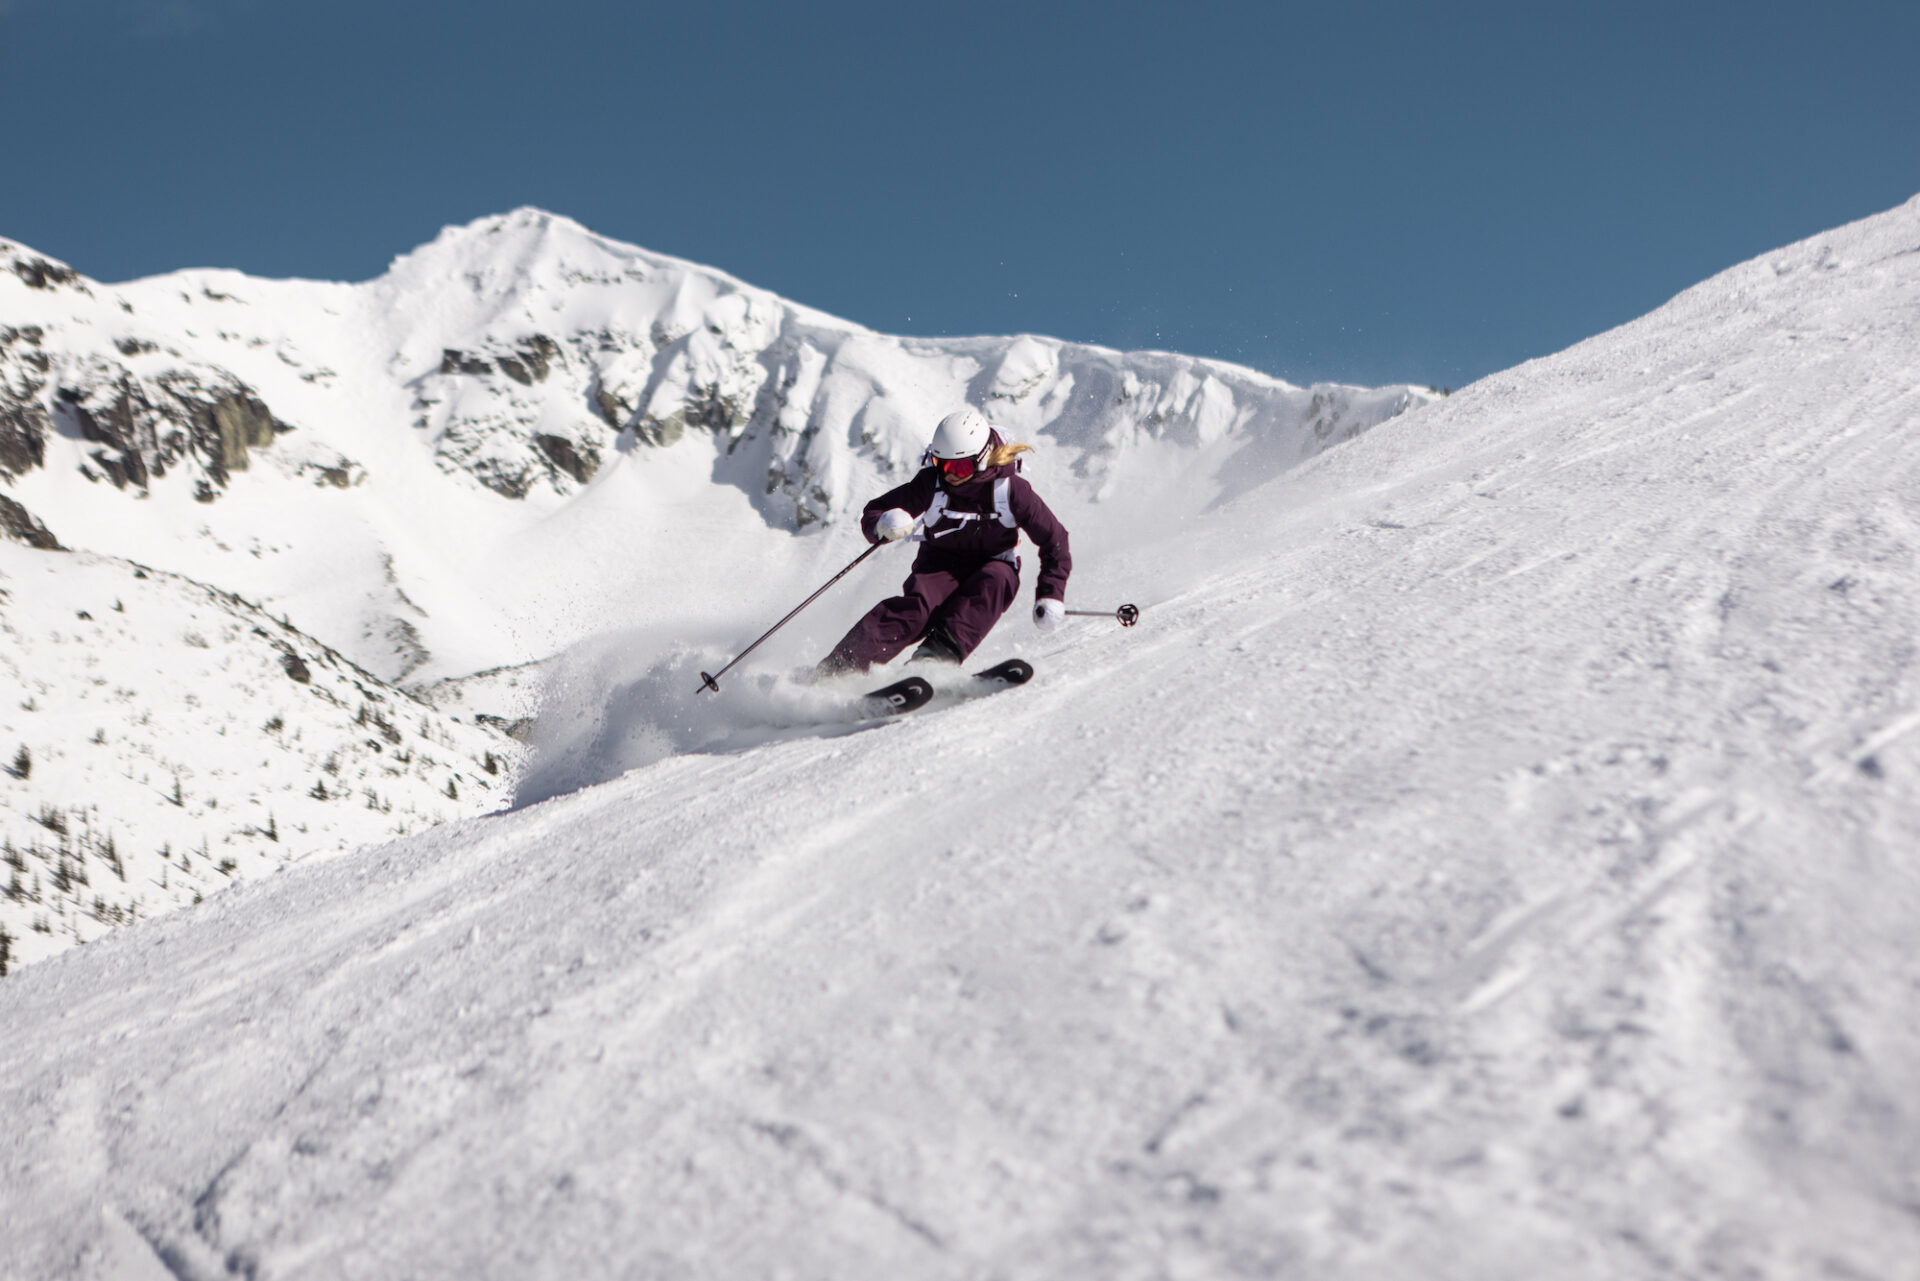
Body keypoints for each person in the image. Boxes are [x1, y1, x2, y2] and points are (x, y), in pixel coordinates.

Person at [817, 406, 1071, 676]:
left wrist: (1051, 594)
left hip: (994, 562)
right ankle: (838, 668)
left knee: (995, 582)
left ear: (982, 459)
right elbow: (875, 510)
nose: (948, 473)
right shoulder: (932, 483)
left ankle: (933, 660)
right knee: (917, 609)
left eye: (958, 466)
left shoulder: (1011, 492)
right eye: (941, 463)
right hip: (939, 564)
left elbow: (1055, 540)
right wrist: (884, 523)